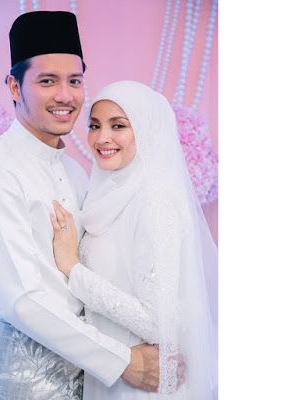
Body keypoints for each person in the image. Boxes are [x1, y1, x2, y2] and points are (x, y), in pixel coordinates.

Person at [0, 12, 180, 400]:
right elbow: (22, 300)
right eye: (47, 81)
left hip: (87, 383)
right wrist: (125, 360)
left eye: (74, 80)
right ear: (14, 86)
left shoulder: (76, 171)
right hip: (17, 385)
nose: (65, 95)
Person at [50, 80, 218, 399]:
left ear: (146, 130)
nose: (102, 138)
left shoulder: (156, 203)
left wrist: (73, 269)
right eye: (95, 125)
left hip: (142, 384)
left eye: (118, 126)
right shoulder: (107, 195)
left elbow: (158, 321)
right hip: (114, 372)